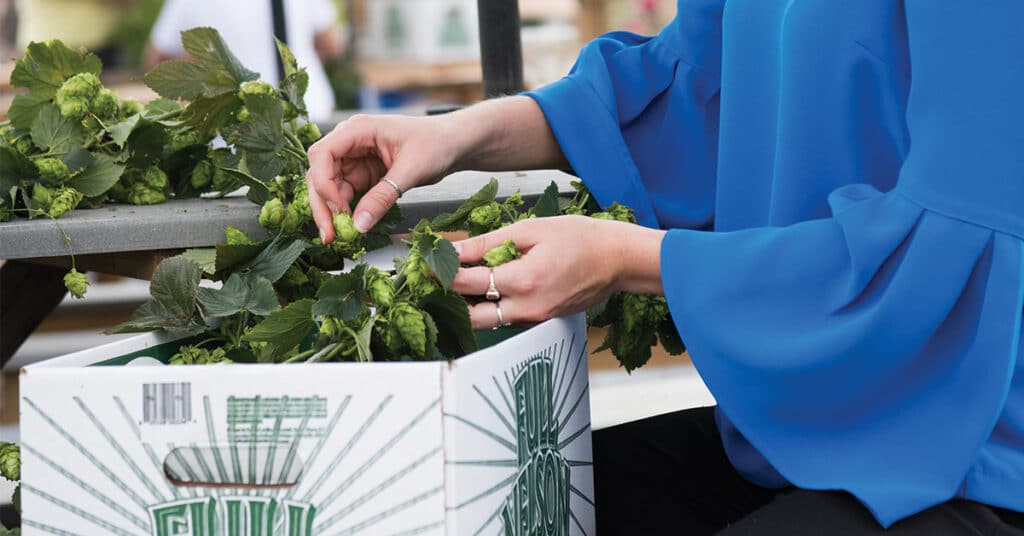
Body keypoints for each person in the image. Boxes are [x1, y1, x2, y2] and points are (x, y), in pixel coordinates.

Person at [305, 1, 1024, 533]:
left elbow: (955, 243)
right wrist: (460, 134)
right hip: (797, 429)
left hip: (965, 451)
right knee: (488, 508)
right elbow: (695, 92)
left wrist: (627, 260)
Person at [147, 0, 343, 123]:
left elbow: (157, 60)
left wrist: (206, 69)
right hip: (306, 113)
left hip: (234, 124)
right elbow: (331, 44)